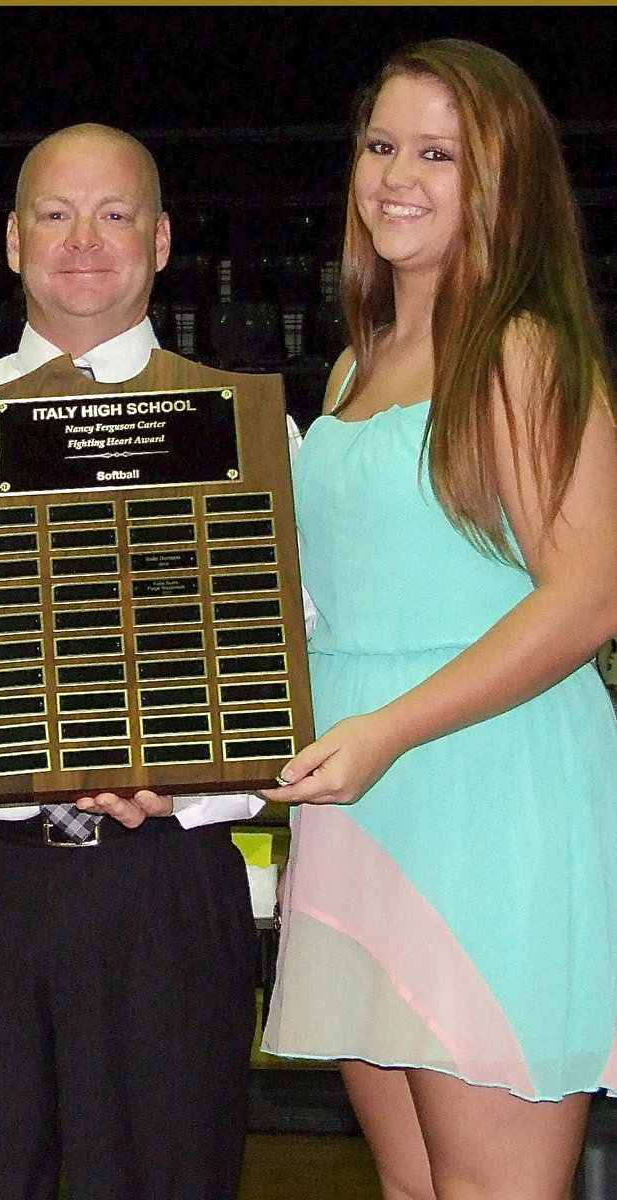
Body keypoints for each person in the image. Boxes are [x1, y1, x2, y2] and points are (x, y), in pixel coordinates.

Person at [0, 123, 292, 1200]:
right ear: (11, 240)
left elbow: (282, 653)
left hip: (163, 879)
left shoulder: (241, 429)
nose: (83, 241)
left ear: (162, 239)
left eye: (115, 214)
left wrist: (190, 780)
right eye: (54, 213)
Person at [261, 39, 617, 1200]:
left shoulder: (522, 351)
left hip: (486, 793)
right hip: (362, 801)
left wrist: (390, 730)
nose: (394, 176)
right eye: (378, 145)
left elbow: (588, 598)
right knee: (415, 1191)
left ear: (499, 181)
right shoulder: (354, 368)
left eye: (436, 153)